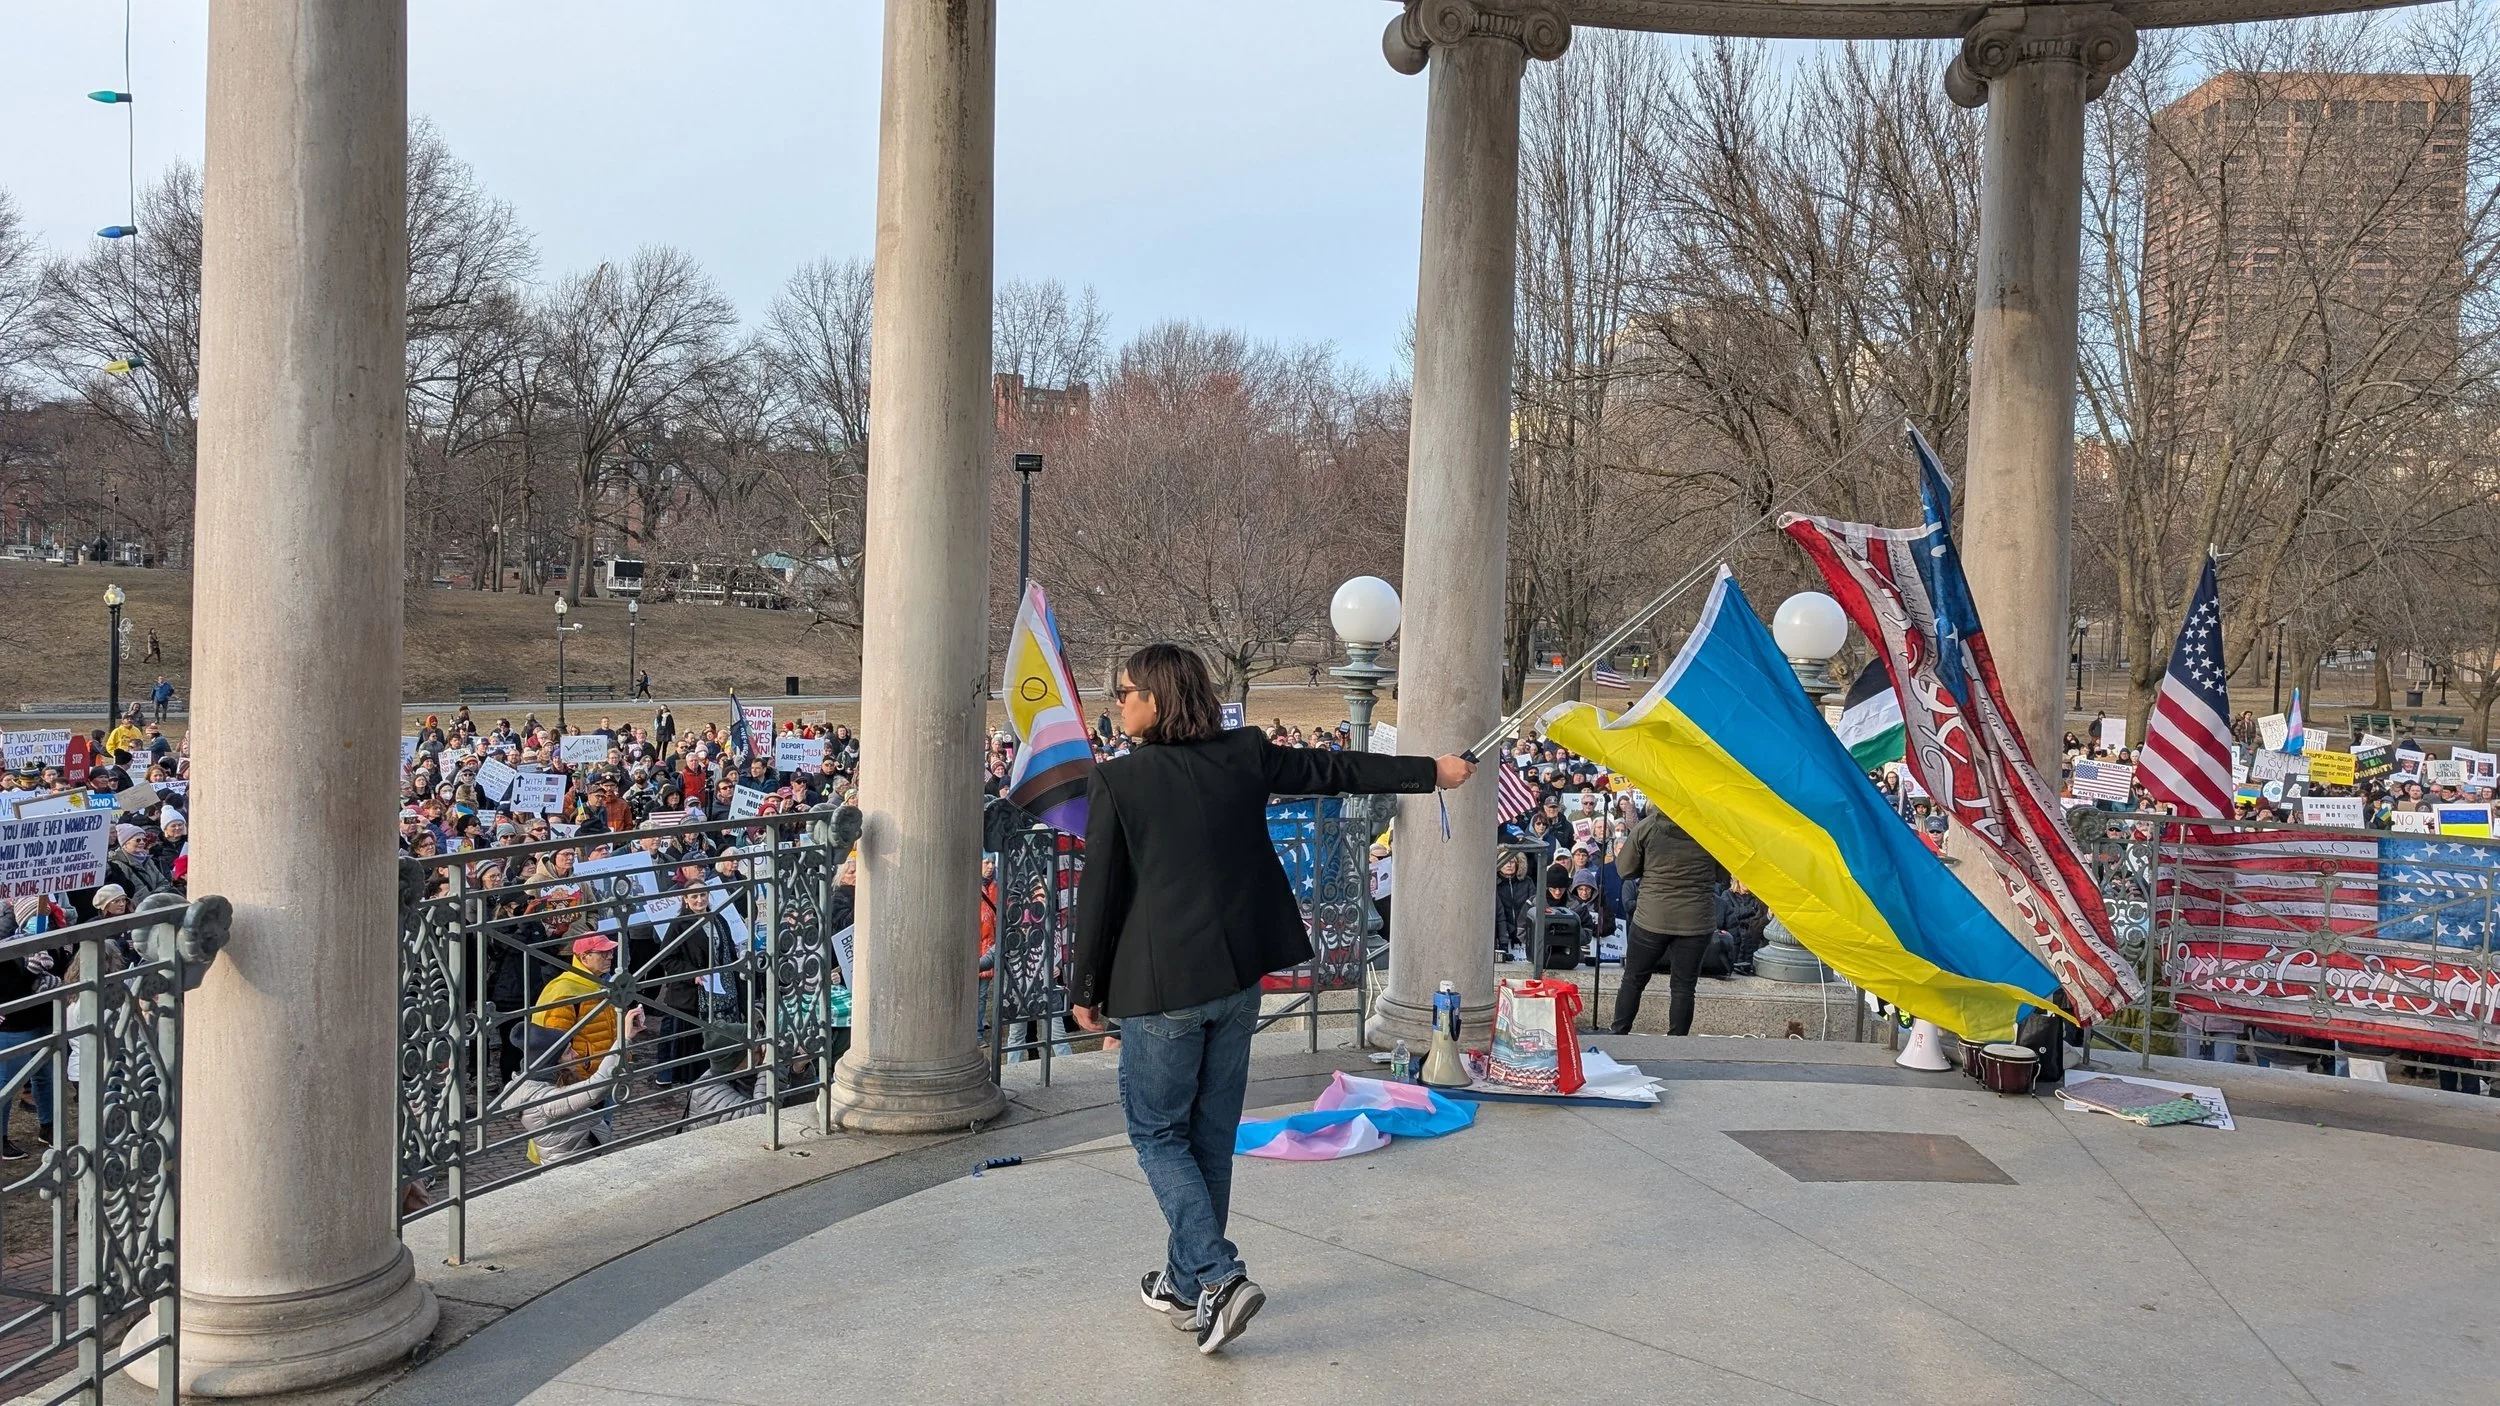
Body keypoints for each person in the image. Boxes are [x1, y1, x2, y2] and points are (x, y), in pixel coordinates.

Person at [1068, 642, 1469, 1355]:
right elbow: (1339, 769)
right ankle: (1189, 1283)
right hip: (1240, 979)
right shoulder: (1245, 754)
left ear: (1155, 700)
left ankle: (1218, 1275)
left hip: (1162, 990)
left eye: (1124, 692)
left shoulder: (1118, 783)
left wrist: (1086, 992)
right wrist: (1431, 773)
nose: (1117, 705)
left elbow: (1099, 899)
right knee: (1210, 1135)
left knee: (1159, 1135)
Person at [1608, 806, 1726, 1036]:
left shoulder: (1648, 827)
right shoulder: (1711, 830)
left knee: (1633, 979)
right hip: (1696, 919)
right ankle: (1677, 1044)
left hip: (1653, 915)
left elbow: (1625, 870)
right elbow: (1722, 876)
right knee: (1684, 987)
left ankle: (1619, 1034)